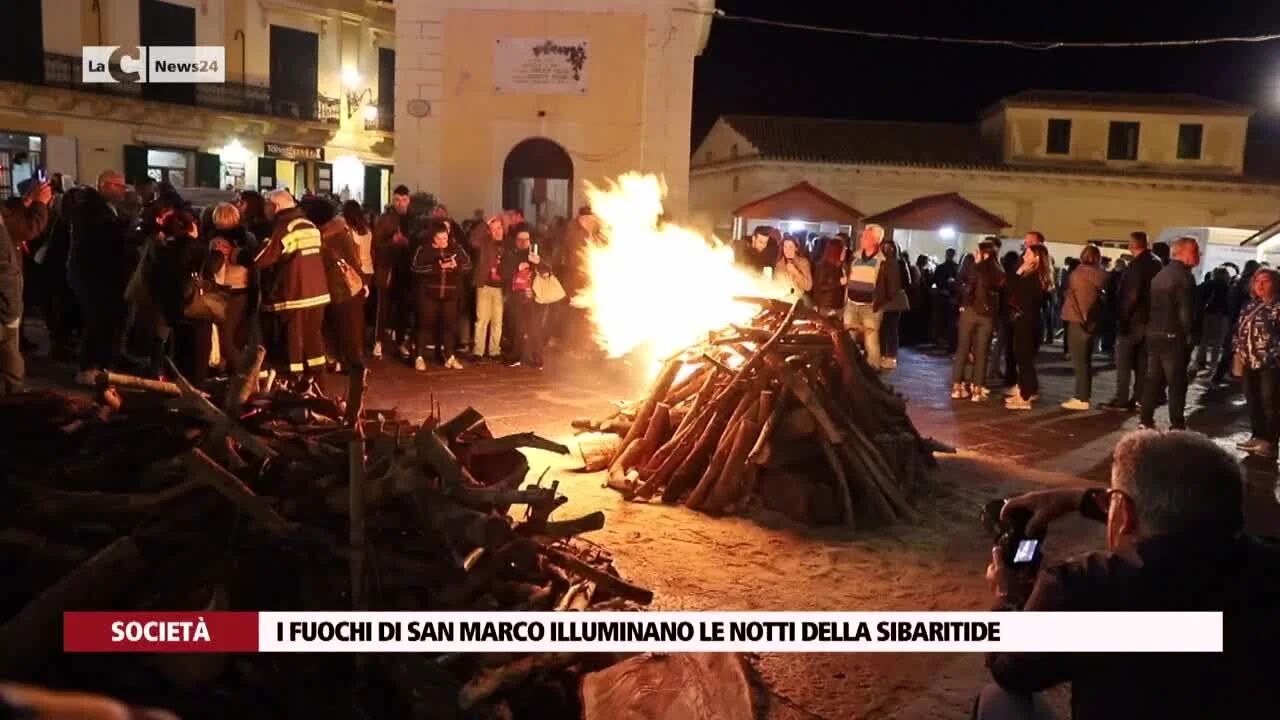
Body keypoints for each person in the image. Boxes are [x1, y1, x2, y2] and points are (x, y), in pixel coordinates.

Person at [976, 430, 1280, 720]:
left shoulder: (1085, 586)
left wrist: (1008, 600)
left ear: (1123, 511)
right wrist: (1082, 500)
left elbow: (1011, 669)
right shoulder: (1267, 566)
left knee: (998, 700)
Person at [254, 190, 330, 382]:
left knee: (293, 342)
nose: (265, 209)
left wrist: (247, 251)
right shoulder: (309, 225)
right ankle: (319, 380)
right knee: (314, 337)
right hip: (318, 293)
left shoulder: (284, 227)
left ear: (275, 206)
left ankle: (295, 382)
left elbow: (262, 259)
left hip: (295, 294)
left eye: (267, 205)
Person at [68, 170, 132, 385]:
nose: (124, 190)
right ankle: (88, 367)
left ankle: (105, 362)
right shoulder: (90, 209)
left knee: (107, 322)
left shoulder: (105, 208)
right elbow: (100, 240)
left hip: (102, 274)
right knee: (97, 321)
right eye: (119, 185)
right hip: (93, 274)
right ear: (105, 185)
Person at [1139, 236, 1201, 431]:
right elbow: (1186, 313)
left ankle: (1145, 419)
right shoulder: (1184, 277)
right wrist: (1191, 335)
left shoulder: (1161, 274)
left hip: (1154, 333)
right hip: (1174, 336)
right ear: (1181, 253)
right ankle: (1177, 423)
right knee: (1176, 383)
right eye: (1195, 251)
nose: (1198, 256)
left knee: (1153, 380)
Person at [1099, 232, 1162, 412]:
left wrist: (1123, 318)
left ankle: (1121, 398)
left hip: (1134, 320)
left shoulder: (1137, 265)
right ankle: (1138, 398)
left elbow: (1131, 294)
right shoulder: (1156, 262)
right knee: (1142, 363)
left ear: (1132, 245)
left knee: (1123, 361)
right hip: (1149, 319)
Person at [304, 198, 365, 374]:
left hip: (334, 287)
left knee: (342, 328)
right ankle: (348, 362)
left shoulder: (324, 236)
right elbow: (354, 260)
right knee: (344, 328)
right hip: (338, 288)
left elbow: (351, 259)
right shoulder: (339, 232)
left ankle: (350, 364)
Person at [410, 219, 472, 371]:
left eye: (444, 238)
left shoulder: (456, 248)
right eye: (438, 239)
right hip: (428, 294)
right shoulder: (424, 249)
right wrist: (437, 267)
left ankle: (449, 355)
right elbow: (415, 268)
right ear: (432, 237)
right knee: (424, 324)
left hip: (450, 294)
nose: (442, 242)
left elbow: (468, 265)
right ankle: (419, 356)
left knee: (449, 326)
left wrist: (456, 266)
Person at [1231, 268, 1280, 458]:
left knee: (1270, 403)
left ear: (1275, 283)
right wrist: (1238, 349)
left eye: (1265, 281)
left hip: (1270, 364)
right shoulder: (1250, 305)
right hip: (1248, 362)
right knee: (1253, 401)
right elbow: (1239, 330)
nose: (1260, 285)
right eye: (1257, 280)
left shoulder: (1277, 307)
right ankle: (1257, 436)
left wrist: (1274, 353)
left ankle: (1270, 442)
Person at [951, 240, 1004, 401]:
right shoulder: (1000, 271)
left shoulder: (977, 268)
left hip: (971, 312)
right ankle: (977, 389)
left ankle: (957, 387)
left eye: (977, 251)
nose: (975, 254)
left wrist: (963, 301)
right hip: (988, 316)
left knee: (963, 349)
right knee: (982, 353)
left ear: (984, 253)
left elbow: (968, 289)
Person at [371, 185, 418, 359]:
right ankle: (378, 342)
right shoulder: (385, 219)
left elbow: (418, 241)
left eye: (404, 200)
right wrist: (392, 240)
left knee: (403, 309)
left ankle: (400, 342)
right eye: (397, 200)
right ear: (393, 200)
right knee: (383, 308)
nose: (400, 203)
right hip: (388, 268)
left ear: (409, 200)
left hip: (406, 270)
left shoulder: (414, 219)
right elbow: (376, 244)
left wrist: (408, 242)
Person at [206, 203, 254, 372]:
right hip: (247, 288)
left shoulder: (217, 241)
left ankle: (244, 373)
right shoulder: (248, 237)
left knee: (225, 337)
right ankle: (232, 371)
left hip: (228, 289)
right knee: (238, 335)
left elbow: (215, 267)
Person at [1060, 245, 1108, 410]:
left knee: (1079, 361)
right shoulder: (1102, 275)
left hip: (1077, 319)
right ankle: (1083, 395)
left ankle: (1081, 397)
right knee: (1086, 360)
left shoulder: (1077, 274)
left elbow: (1073, 297)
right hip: (1093, 321)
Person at [1005, 245, 1051, 410]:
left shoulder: (1034, 277)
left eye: (1028, 253)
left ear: (1036, 258)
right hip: (1026, 319)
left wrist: (1019, 272)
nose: (1024, 255)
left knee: (1024, 358)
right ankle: (1024, 390)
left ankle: (1026, 396)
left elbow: (1013, 289)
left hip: (1027, 320)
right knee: (1022, 357)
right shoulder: (1034, 275)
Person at [503, 224, 547, 368]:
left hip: (534, 297)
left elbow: (548, 270)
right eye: (520, 239)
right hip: (517, 296)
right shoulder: (510, 254)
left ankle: (537, 359)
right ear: (515, 240)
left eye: (526, 239)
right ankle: (516, 357)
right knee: (518, 328)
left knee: (535, 328)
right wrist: (517, 267)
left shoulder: (536, 254)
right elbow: (504, 272)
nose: (523, 242)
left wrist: (539, 262)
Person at [844, 224, 887, 369]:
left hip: (870, 306)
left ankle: (873, 370)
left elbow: (890, 286)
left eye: (866, 236)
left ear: (875, 240)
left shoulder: (883, 261)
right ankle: (849, 368)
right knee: (848, 339)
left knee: (871, 341)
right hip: (851, 304)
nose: (862, 238)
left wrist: (879, 302)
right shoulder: (855, 257)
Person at [469, 215, 507, 361]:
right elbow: (473, 240)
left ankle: (494, 350)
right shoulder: (485, 242)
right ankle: (478, 351)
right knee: (482, 319)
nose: (497, 231)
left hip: (500, 288)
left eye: (499, 228)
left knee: (497, 321)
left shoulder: (508, 244)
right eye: (493, 229)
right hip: (484, 285)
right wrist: (485, 224)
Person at [877, 239, 910, 370]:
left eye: (889, 248)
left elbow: (906, 281)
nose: (887, 251)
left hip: (894, 300)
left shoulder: (899, 263)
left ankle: (890, 356)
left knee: (890, 327)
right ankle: (885, 354)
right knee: (886, 327)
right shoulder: (886, 262)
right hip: (887, 299)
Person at [1194, 266, 1230, 374]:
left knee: (1204, 340)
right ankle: (1213, 365)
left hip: (1207, 314)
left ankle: (1199, 362)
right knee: (1217, 342)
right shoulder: (1227, 287)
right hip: (1222, 316)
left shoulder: (1207, 285)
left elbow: (1197, 295)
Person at [811, 238, 847, 316]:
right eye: (843, 250)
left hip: (837, 306)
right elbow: (819, 287)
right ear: (836, 252)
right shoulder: (823, 266)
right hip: (827, 307)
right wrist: (839, 282)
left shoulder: (839, 266)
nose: (845, 252)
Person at [931, 248, 959, 349]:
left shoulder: (942, 267)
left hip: (944, 295)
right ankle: (945, 338)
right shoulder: (956, 267)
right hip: (948, 296)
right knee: (947, 319)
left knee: (943, 318)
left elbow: (934, 280)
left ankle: (941, 338)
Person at [774, 235, 813, 302]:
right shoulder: (779, 264)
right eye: (785, 246)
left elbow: (808, 286)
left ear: (796, 248)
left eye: (790, 246)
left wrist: (796, 272)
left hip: (799, 299)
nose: (787, 250)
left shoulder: (803, 262)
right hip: (782, 299)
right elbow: (776, 284)